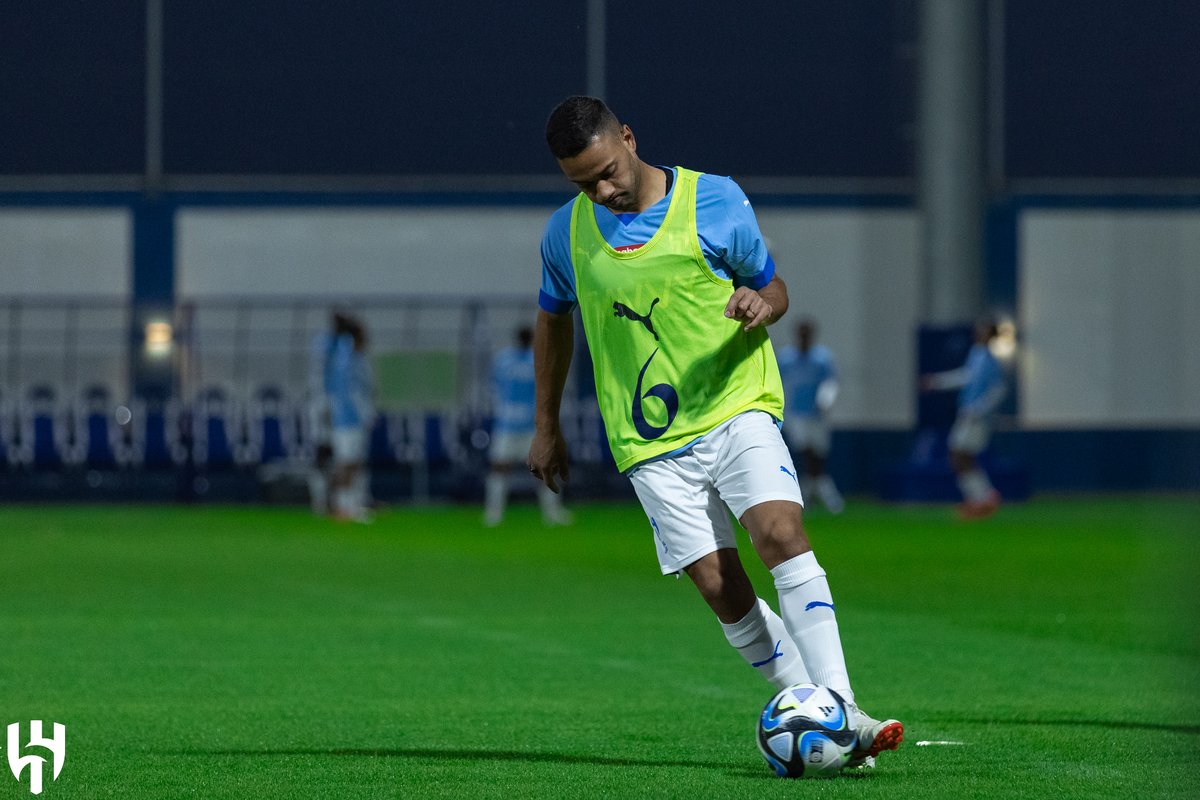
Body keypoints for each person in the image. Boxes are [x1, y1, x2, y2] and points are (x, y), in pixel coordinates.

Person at [527, 96, 902, 768]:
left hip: (735, 405)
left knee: (780, 532)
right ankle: (820, 710)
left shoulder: (714, 199)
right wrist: (545, 425)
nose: (602, 191)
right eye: (583, 183)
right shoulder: (566, 233)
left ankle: (840, 711)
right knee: (716, 582)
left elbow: (774, 285)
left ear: (630, 139)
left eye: (607, 172)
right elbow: (554, 323)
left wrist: (763, 304)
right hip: (649, 443)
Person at [484, 325, 571, 527]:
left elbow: (494, 389)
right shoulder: (533, 360)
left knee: (534, 469)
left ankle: (496, 513)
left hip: (517, 423)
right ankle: (496, 513)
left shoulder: (505, 360)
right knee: (505, 467)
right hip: (520, 424)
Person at [921, 318, 1007, 520]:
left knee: (959, 454)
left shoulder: (989, 359)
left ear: (989, 335)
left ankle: (982, 498)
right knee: (961, 456)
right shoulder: (975, 355)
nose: (978, 332)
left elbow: (998, 390)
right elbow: (965, 377)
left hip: (976, 417)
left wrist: (979, 409)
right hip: (967, 413)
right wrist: (937, 382)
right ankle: (982, 497)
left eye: (983, 330)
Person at [776, 318, 845, 513]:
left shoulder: (822, 358)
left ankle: (812, 490)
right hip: (796, 413)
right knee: (804, 451)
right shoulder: (786, 358)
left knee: (819, 453)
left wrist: (826, 400)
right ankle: (820, 490)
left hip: (817, 415)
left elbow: (831, 382)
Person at [325, 312, 375, 523]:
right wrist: (363, 413)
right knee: (345, 462)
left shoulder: (355, 359)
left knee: (354, 463)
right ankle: (341, 505)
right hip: (346, 419)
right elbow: (347, 392)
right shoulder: (345, 360)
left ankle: (351, 505)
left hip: (353, 419)